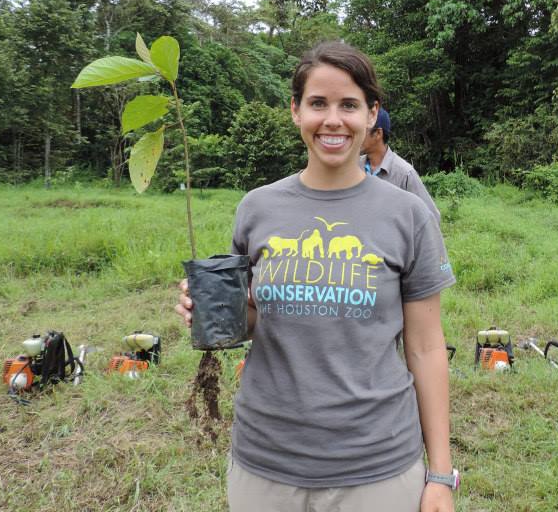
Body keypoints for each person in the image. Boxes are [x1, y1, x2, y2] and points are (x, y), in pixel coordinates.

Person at [175, 41, 458, 512]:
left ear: (372, 115)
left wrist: (440, 476)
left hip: (378, 465)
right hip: (265, 461)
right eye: (318, 104)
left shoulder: (407, 215)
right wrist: (210, 310)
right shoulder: (257, 208)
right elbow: (255, 318)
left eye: (349, 105)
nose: (333, 120)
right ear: (295, 111)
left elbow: (426, 348)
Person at [361, 108, 441, 222]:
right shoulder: (353, 167)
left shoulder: (404, 173)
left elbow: (431, 217)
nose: (356, 135)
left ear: (378, 133)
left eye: (362, 130)